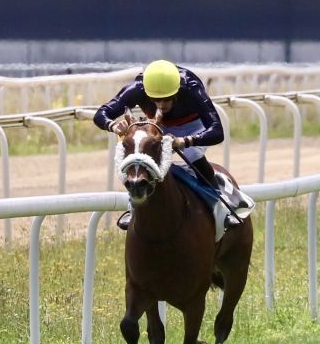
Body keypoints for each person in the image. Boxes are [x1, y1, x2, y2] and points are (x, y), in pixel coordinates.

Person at [95, 59, 244, 230]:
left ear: (178, 91)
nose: (161, 105)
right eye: (155, 100)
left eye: (167, 99)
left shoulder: (191, 86)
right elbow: (101, 113)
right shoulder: (138, 87)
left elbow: (217, 131)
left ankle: (221, 207)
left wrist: (186, 141)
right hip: (159, 126)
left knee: (192, 154)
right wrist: (112, 125)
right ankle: (133, 208)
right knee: (140, 157)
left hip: (193, 126)